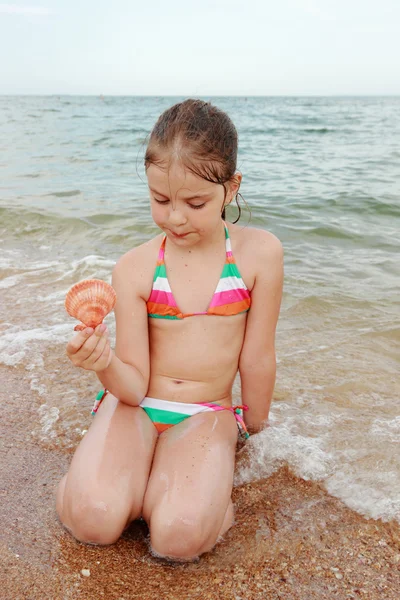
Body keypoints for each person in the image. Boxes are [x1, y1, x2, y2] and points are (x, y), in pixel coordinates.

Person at [56, 99, 284, 561]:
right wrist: (103, 363)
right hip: (135, 404)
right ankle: (115, 480)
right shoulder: (137, 267)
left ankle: (184, 495)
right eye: (160, 200)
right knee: (93, 520)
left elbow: (257, 357)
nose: (175, 217)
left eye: (195, 202)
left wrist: (253, 432)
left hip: (207, 412)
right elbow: (133, 384)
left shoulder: (260, 254)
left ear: (231, 187)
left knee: (178, 539)